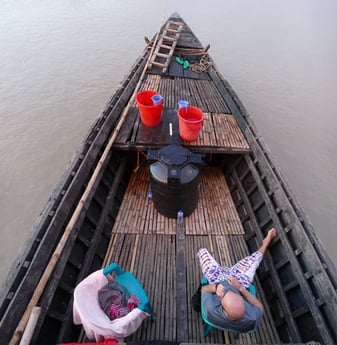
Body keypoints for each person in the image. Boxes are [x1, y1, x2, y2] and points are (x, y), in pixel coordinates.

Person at [197, 228, 277, 333]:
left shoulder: (210, 309)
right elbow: (260, 307)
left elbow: (204, 290)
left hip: (217, 280)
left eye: (225, 295)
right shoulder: (252, 319)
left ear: (224, 310)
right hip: (238, 281)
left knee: (202, 252)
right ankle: (265, 244)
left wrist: (215, 287)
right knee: (254, 261)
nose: (228, 291)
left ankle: (222, 270)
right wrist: (240, 288)